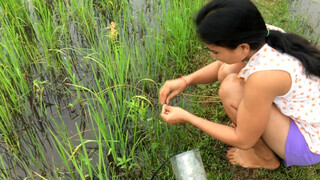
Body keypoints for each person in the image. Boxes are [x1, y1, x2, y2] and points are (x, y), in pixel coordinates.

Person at [159, 0, 320, 169]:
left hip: (309, 143)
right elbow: (224, 63)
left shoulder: (263, 78)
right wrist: (185, 81)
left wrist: (187, 117)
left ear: (243, 47)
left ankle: (266, 159)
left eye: (215, 51)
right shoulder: (265, 34)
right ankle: (251, 126)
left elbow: (243, 140)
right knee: (227, 70)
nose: (213, 56)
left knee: (231, 89)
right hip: (308, 115)